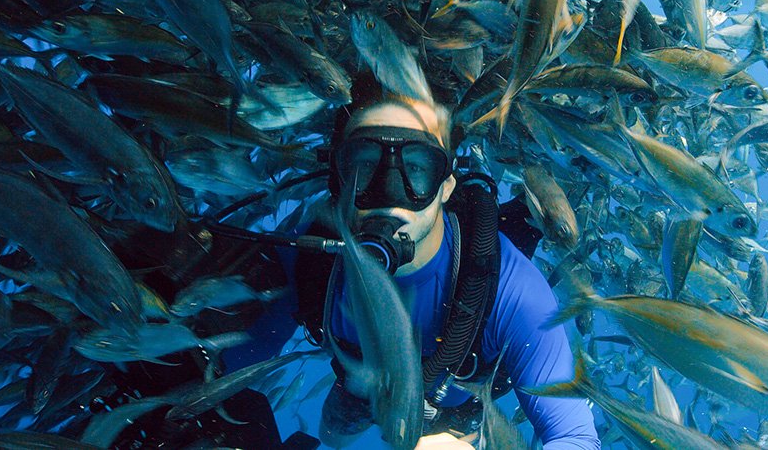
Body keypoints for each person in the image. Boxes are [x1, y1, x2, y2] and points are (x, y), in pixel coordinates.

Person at [227, 84, 600, 449]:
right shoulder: (307, 259)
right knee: (331, 436)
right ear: (338, 180)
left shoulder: (515, 292)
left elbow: (577, 438)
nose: (389, 193)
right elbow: (225, 366)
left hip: (453, 404)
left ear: (446, 185)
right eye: (365, 165)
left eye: (417, 168)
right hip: (360, 390)